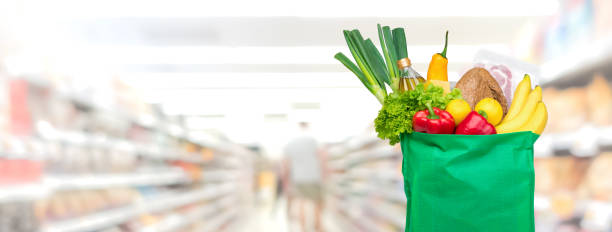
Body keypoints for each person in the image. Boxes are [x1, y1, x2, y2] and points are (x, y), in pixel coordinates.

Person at [282, 122, 324, 232]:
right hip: (313, 176)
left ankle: (303, 228)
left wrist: (286, 179)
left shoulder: (290, 143)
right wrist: (324, 173)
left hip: (298, 178)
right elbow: (321, 157)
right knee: (316, 202)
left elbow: (286, 163)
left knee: (301, 203)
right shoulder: (313, 141)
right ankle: (318, 226)